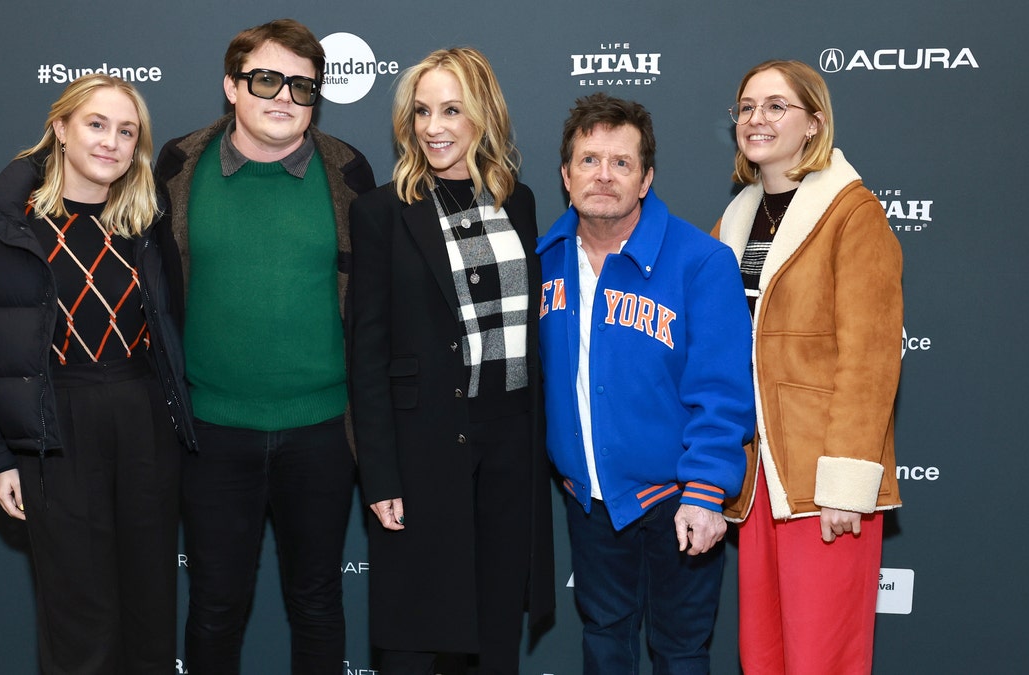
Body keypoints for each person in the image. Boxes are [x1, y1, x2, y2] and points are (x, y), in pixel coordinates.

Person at [0, 73, 195, 675]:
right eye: (96, 124)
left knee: (150, 612)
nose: (111, 142)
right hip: (54, 430)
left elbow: (171, 330)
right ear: (59, 129)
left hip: (141, 421)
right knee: (79, 619)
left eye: (127, 131)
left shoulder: (147, 221)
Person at [153, 18, 375, 674]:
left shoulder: (347, 172)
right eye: (267, 78)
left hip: (324, 435)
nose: (284, 96)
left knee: (317, 602)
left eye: (302, 86)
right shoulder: (179, 166)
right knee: (216, 607)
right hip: (213, 434)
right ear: (232, 85)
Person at [349, 47, 554, 674]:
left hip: (508, 447)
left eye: (451, 110)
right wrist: (379, 475)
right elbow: (366, 350)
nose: (433, 127)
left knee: (493, 632)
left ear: (482, 117)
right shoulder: (382, 211)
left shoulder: (518, 201)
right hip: (422, 445)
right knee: (413, 633)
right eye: (421, 112)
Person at [536, 93, 755, 674]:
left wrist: (707, 493)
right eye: (588, 160)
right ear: (565, 173)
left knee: (680, 651)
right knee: (604, 641)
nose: (602, 175)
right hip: (589, 499)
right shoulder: (543, 260)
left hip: (678, 499)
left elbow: (724, 392)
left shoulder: (701, 261)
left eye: (621, 163)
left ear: (646, 178)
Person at [713, 59, 903, 675]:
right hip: (757, 475)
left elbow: (871, 359)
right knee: (762, 653)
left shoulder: (853, 213)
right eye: (746, 107)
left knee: (823, 656)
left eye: (775, 106)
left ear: (814, 123)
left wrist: (846, 483)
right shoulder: (734, 220)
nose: (756, 119)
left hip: (822, 480)